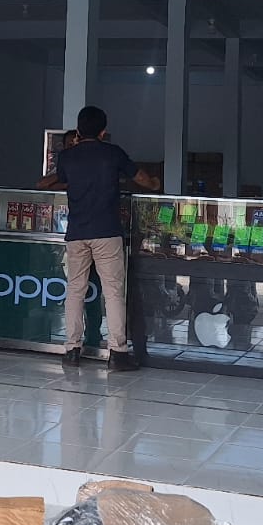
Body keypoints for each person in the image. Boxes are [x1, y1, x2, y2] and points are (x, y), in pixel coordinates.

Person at [39, 106, 159, 370]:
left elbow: (60, 181)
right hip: (107, 232)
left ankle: (72, 350)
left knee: (75, 290)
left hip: (77, 233)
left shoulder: (67, 157)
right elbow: (140, 177)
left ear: (78, 131)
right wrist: (154, 184)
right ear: (103, 131)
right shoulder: (113, 153)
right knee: (113, 292)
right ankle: (118, 353)